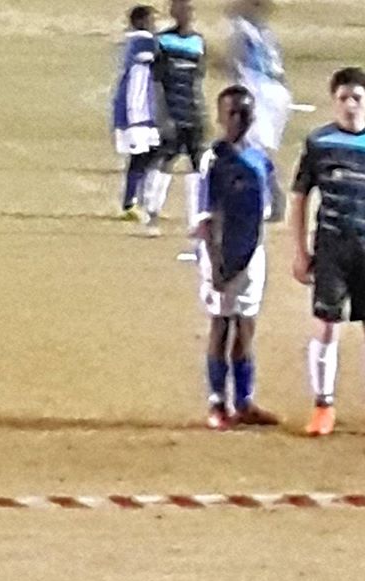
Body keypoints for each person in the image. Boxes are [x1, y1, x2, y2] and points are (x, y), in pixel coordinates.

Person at [291, 67, 365, 436]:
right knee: (326, 327)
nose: (351, 105)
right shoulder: (319, 143)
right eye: (344, 98)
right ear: (333, 100)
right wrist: (301, 251)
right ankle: (323, 405)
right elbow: (300, 197)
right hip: (332, 248)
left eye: (357, 98)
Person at [193, 85, 279, 430]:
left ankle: (243, 402)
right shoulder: (214, 160)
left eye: (245, 113)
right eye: (232, 113)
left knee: (245, 327)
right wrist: (215, 264)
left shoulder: (260, 159)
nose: (239, 120)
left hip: (252, 253)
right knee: (220, 325)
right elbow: (205, 218)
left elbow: (270, 208)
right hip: (222, 253)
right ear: (220, 116)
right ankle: (217, 403)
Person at [142, 0, 206, 237]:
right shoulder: (162, 42)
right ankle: (152, 214)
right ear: (173, 13)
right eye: (180, 10)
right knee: (164, 161)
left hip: (192, 111)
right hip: (171, 111)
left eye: (188, 11)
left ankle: (196, 220)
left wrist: (200, 112)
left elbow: (198, 79)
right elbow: (156, 81)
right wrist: (162, 114)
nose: (185, 15)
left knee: (198, 166)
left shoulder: (198, 42)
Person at [226, 0, 290, 221]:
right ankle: (273, 198)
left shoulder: (242, 29)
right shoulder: (265, 31)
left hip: (259, 88)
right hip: (277, 91)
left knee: (253, 148)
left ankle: (265, 201)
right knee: (261, 148)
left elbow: (236, 62)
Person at [112, 5, 160, 222]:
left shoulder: (132, 40)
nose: (154, 25)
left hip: (141, 108)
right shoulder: (141, 40)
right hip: (136, 109)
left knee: (147, 156)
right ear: (140, 22)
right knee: (140, 157)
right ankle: (131, 203)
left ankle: (137, 200)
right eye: (151, 20)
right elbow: (158, 54)